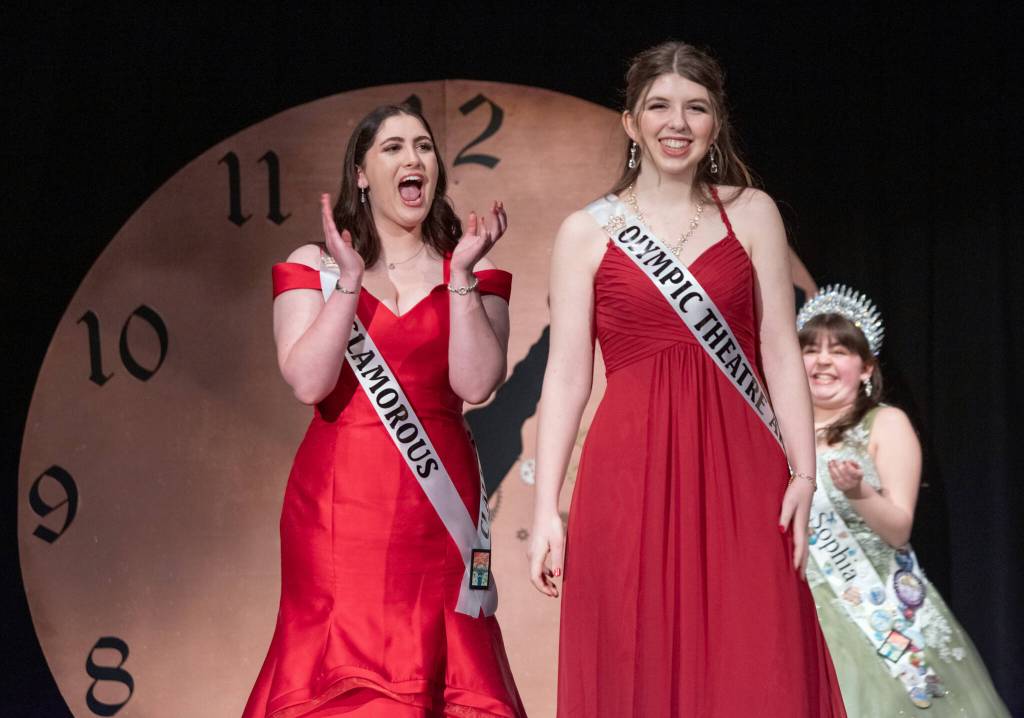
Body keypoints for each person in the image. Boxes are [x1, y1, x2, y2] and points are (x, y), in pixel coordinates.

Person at [527, 41, 847, 717]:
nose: (678, 123)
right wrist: (546, 507)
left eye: (695, 107)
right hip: (629, 471)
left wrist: (804, 474)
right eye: (660, 106)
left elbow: (781, 354)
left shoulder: (752, 212)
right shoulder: (585, 233)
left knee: (757, 661)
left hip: (744, 470)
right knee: (634, 661)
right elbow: (566, 377)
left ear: (715, 122)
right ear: (630, 122)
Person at [243, 104, 526, 718]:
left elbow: (477, 384)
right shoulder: (314, 264)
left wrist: (464, 280)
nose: (413, 158)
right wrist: (348, 283)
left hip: (438, 503)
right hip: (338, 504)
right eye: (394, 147)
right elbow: (307, 382)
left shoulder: (473, 269)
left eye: (423, 146)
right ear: (363, 173)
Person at [798, 285, 1010, 716]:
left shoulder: (886, 424)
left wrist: (859, 493)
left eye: (839, 351)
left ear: (866, 367)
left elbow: (898, 529)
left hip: (876, 612)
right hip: (796, 607)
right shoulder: (780, 430)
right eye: (810, 350)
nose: (822, 361)